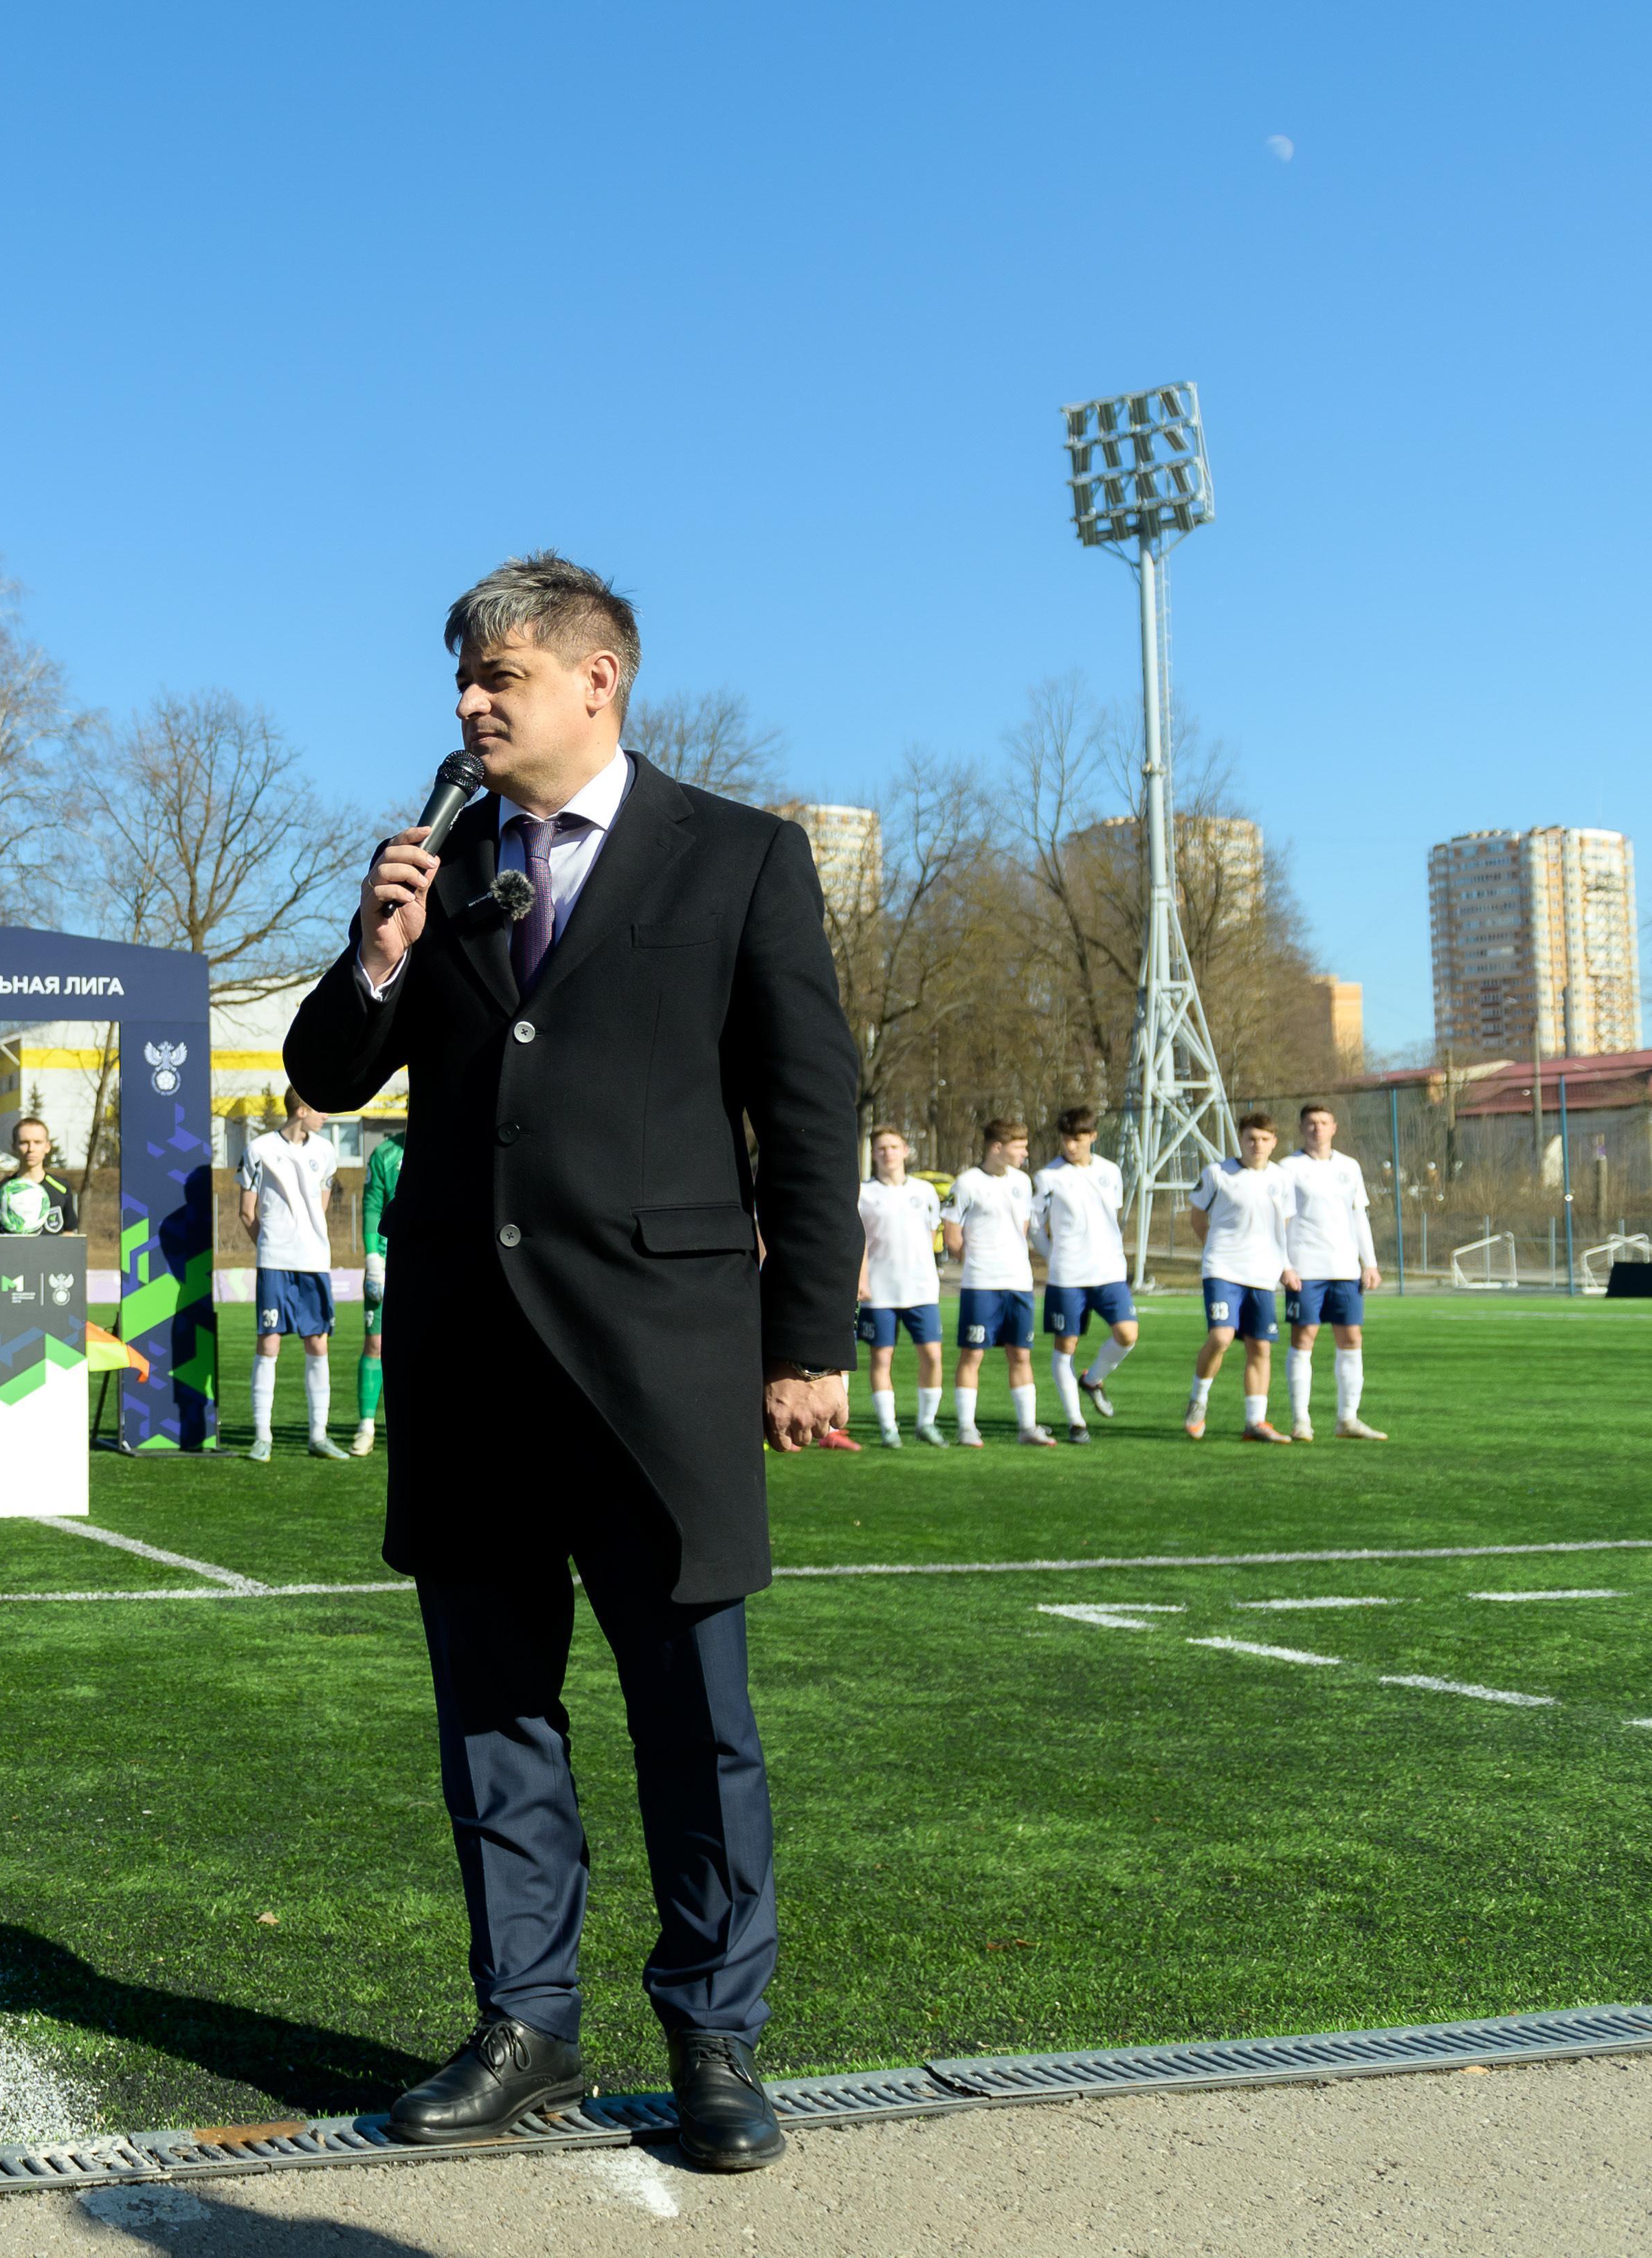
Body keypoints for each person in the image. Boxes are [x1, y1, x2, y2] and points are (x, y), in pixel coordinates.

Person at [282, 552, 855, 2171]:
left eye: (500, 675)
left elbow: (809, 1107)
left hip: (659, 1364)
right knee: (493, 1716)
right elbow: (327, 1069)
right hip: (469, 1366)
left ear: (597, 678)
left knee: (694, 1722)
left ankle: (713, 2039)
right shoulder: (446, 863)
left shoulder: (736, 854)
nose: (470, 703)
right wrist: (378, 952)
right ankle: (523, 2023)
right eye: (463, 679)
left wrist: (806, 1339)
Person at [236, 1095, 349, 1462]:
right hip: (275, 1262)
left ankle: (319, 1436)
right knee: (269, 1342)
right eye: (320, 1108)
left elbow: (321, 1204)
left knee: (318, 1343)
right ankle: (262, 1437)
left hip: (314, 1262)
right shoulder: (259, 1149)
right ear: (301, 1111)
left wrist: (306, 1241)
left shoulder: (326, 1151)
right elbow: (247, 1212)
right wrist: (271, 1246)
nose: (326, 1115)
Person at [1274, 1102, 1388, 1442]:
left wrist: (1369, 1262)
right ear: (1301, 1128)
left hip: (1345, 1269)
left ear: (1334, 1127)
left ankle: (1348, 1420)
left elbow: (1359, 1215)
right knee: (1304, 1339)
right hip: (1305, 1269)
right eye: (1311, 1123)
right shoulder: (1288, 1168)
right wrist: (1284, 1265)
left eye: (1324, 1122)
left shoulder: (1349, 1167)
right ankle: (1301, 1421)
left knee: (1351, 1339)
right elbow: (1279, 1221)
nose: (1318, 1128)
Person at [942, 1119, 1052, 1448]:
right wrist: (979, 1262)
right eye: (1020, 1147)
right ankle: (966, 1428)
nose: (1025, 1153)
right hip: (981, 1285)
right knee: (973, 1354)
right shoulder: (967, 1183)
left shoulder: (1022, 1182)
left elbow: (1023, 1227)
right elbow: (952, 1236)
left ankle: (1028, 1427)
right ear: (997, 1148)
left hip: (1019, 1283)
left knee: (1021, 1355)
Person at [1185, 1112, 1293, 1442]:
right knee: (1221, 1337)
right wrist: (1216, 1248)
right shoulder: (1217, 1173)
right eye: (1251, 1138)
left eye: (1264, 1139)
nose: (1257, 1145)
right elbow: (1197, 1218)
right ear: (1241, 1141)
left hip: (1262, 1275)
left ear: (1273, 1142)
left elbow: (1282, 1226)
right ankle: (1198, 1400)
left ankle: (1255, 1422)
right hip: (1223, 1270)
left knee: (1260, 1346)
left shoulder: (1282, 1178)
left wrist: (1284, 1266)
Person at [1034, 1107, 1137, 1440]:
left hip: (1109, 1272)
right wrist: (1054, 1256)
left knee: (1127, 1335)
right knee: (1066, 1346)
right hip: (1067, 1277)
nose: (1071, 1145)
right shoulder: (1047, 1177)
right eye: (1066, 1139)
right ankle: (1076, 1422)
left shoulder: (1110, 1171)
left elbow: (1111, 1216)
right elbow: (1035, 1226)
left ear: (1093, 1136)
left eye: (1078, 1139)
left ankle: (1092, 1380)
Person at [853, 1128, 944, 1448]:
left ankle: (926, 1423)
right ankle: (888, 1427)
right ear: (873, 1154)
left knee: (932, 1356)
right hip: (880, 1291)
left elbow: (932, 1236)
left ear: (905, 1150)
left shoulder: (925, 1191)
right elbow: (859, 1243)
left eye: (893, 1147)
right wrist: (861, 1280)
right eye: (881, 1148)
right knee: (882, 1358)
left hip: (921, 1290)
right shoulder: (864, 1193)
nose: (888, 1153)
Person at [352, 1121, 403, 1455]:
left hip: (433, 1261)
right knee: (376, 1343)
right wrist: (372, 1258)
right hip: (387, 1263)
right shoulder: (386, 1153)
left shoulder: (451, 1144)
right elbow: (372, 1206)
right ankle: (366, 1427)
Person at [0, 1114, 79, 1240]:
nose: (31, 1149)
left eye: (37, 1142)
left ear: (47, 1147)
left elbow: (70, 1234)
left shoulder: (62, 1188)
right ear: (14, 1146)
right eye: (24, 1143)